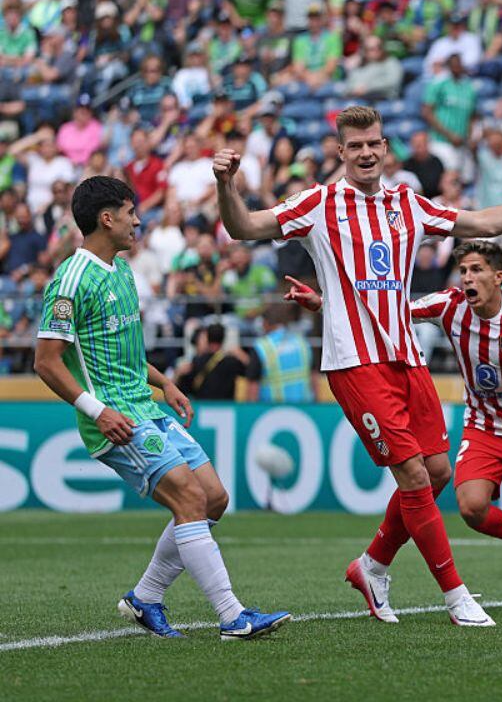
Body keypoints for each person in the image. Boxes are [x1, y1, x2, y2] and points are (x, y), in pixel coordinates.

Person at [212, 105, 502, 627]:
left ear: (385, 148)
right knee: (412, 475)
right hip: (354, 360)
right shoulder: (318, 204)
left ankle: (373, 565)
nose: (366, 153)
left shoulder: (407, 205)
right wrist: (226, 185)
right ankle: (456, 597)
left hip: (407, 356)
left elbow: (481, 221)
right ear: (340, 151)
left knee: (435, 474)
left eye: (374, 144)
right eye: (355, 146)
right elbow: (244, 227)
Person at [287, 241, 502, 592]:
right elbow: (384, 311)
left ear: (499, 277)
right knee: (471, 507)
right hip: (485, 427)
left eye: (477, 270)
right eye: (464, 270)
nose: (468, 277)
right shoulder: (449, 305)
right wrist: (323, 303)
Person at [34, 176, 289, 641]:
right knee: (189, 499)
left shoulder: (122, 270)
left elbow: (124, 353)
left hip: (145, 405)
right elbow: (45, 361)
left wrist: (165, 382)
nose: (138, 220)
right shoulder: (70, 280)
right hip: (116, 418)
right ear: (106, 218)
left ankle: (145, 597)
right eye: (131, 212)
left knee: (214, 498)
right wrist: (97, 412)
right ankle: (232, 616)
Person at [246, 302, 318, 403]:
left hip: (270, 412)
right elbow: (314, 378)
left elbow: (253, 386)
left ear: (266, 323)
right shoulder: (302, 343)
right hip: (305, 409)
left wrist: (250, 412)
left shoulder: (261, 347)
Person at [175, 323, 247, 400]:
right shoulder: (232, 362)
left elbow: (185, 388)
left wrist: (178, 373)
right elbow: (251, 373)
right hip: (226, 408)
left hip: (201, 408)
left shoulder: (196, 361)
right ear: (223, 338)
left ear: (207, 338)